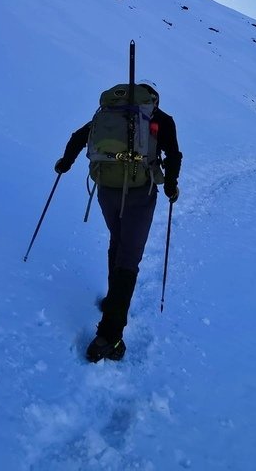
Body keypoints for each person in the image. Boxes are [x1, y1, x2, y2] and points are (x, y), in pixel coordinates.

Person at [54, 81, 182, 362]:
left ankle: (113, 302)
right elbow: (173, 154)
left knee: (118, 241)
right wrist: (171, 184)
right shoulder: (160, 119)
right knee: (129, 256)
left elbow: (79, 136)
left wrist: (66, 162)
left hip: (107, 189)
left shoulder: (111, 113)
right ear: (153, 100)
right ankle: (110, 337)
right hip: (139, 192)